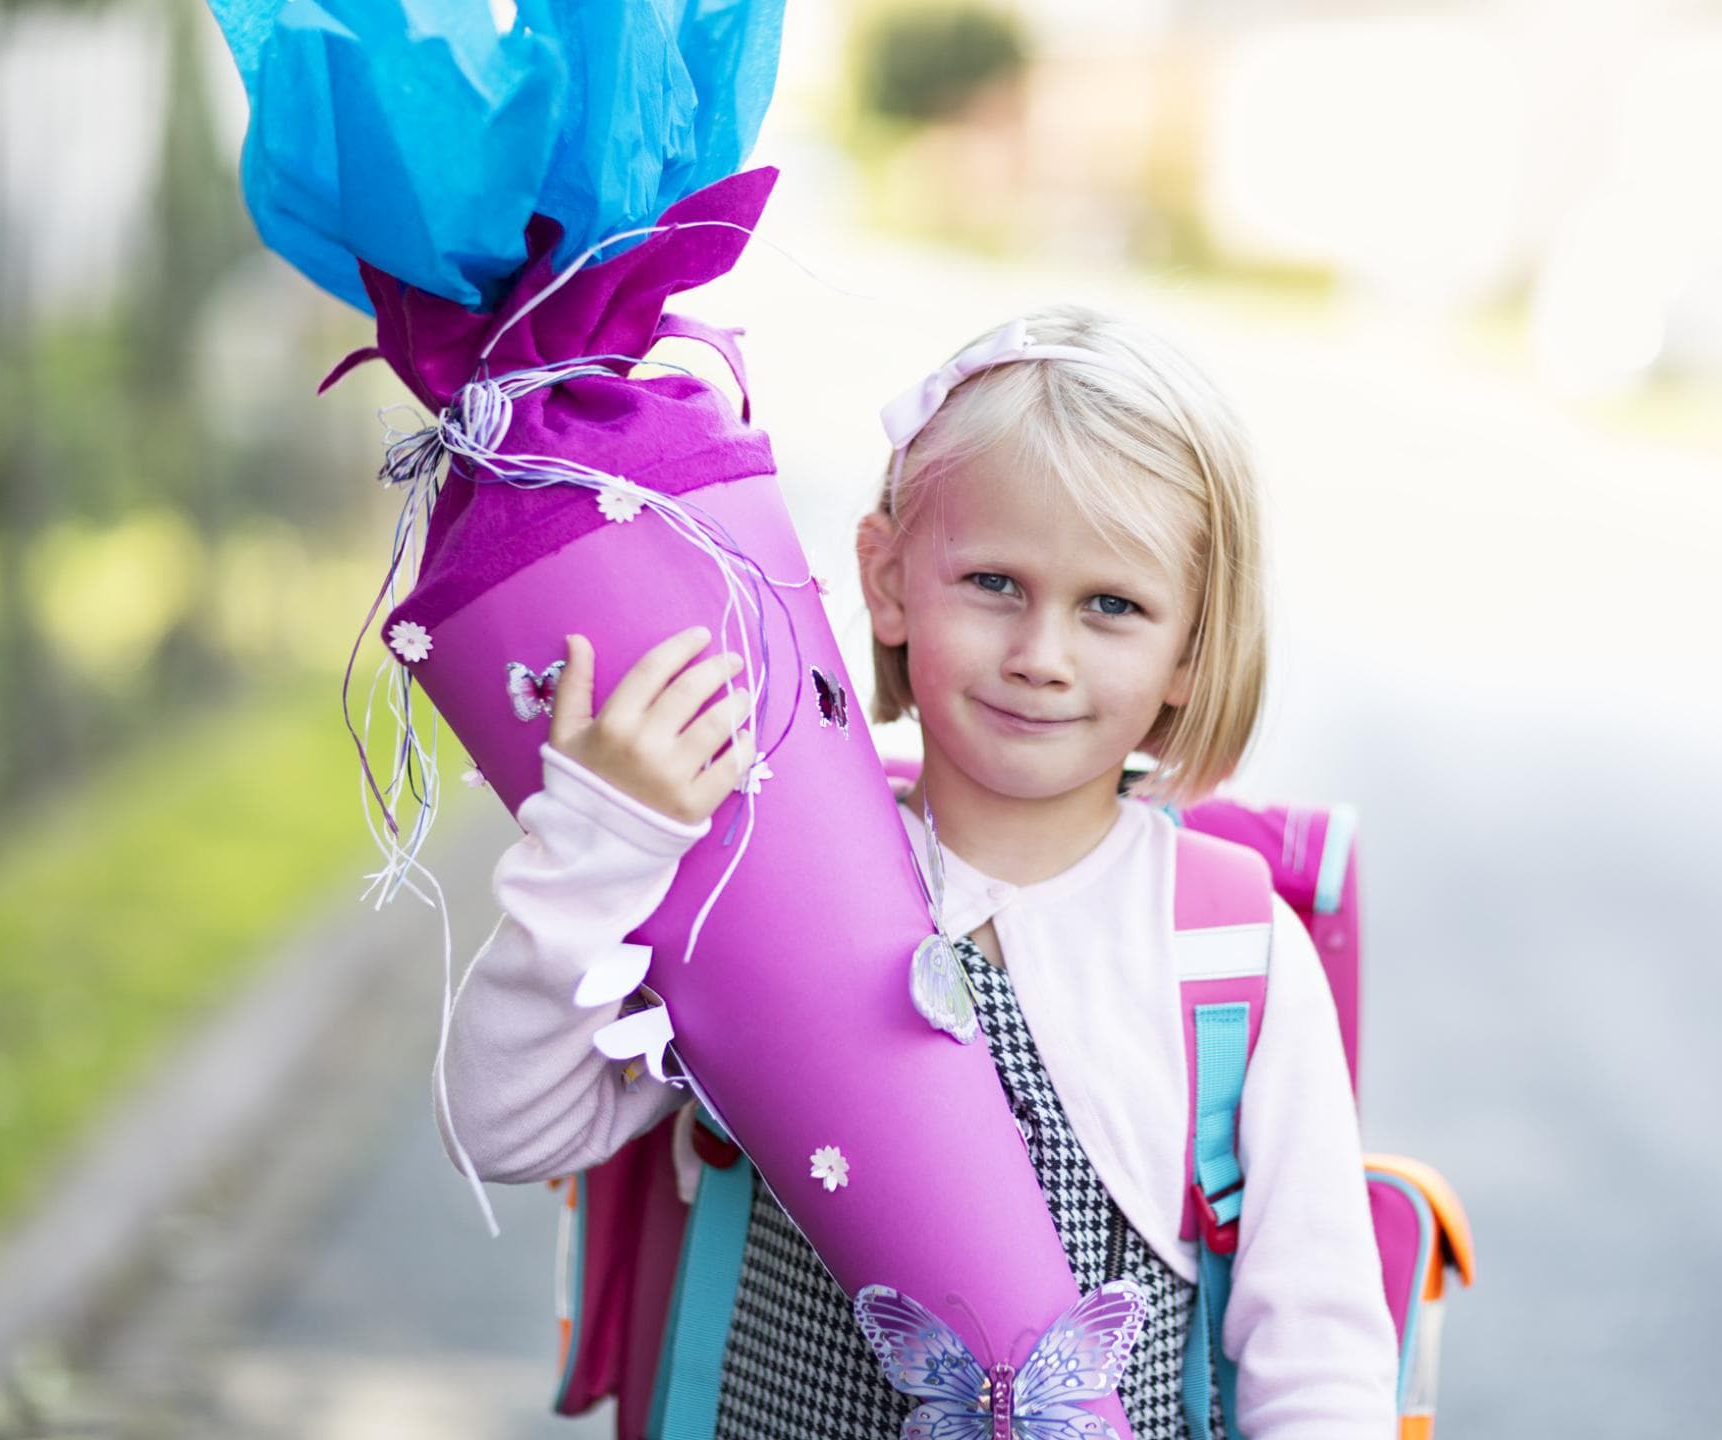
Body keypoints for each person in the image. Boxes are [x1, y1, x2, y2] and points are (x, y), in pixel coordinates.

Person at [436, 304, 1398, 1438]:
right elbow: (503, 1131)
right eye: (994, 582)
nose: (1041, 655)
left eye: (1112, 607)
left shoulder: (1231, 957)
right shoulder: (761, 875)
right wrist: (598, 857)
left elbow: (1317, 1354)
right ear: (888, 580)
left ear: (1193, 649)